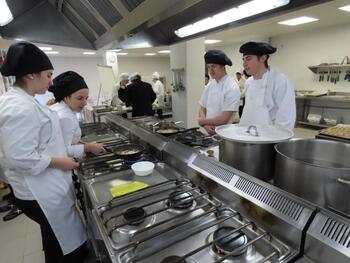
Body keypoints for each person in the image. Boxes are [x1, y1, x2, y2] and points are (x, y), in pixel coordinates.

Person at [0, 42, 87, 263]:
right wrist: (61, 162)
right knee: (64, 242)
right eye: (48, 75)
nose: (51, 83)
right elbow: (19, 157)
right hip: (38, 192)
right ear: (31, 75)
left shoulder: (21, 100)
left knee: (55, 237)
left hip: (41, 186)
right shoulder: (19, 107)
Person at [239, 41, 296, 131]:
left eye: (248, 59)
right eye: (243, 59)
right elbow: (249, 113)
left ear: (263, 58)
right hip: (247, 135)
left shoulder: (279, 81)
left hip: (269, 139)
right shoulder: (248, 83)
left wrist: (276, 142)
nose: (244, 64)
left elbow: (286, 119)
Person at [49, 71, 106, 159]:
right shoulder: (65, 117)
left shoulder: (58, 107)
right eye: (80, 98)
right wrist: (88, 148)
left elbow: (61, 139)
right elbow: (62, 151)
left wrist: (79, 142)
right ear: (65, 96)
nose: (85, 103)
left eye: (86, 98)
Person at [198, 50, 240, 135]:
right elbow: (202, 108)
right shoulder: (210, 84)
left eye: (214, 66)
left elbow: (224, 118)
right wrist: (205, 125)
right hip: (206, 132)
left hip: (222, 134)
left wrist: (202, 121)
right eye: (208, 67)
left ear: (223, 67)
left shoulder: (231, 86)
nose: (210, 71)